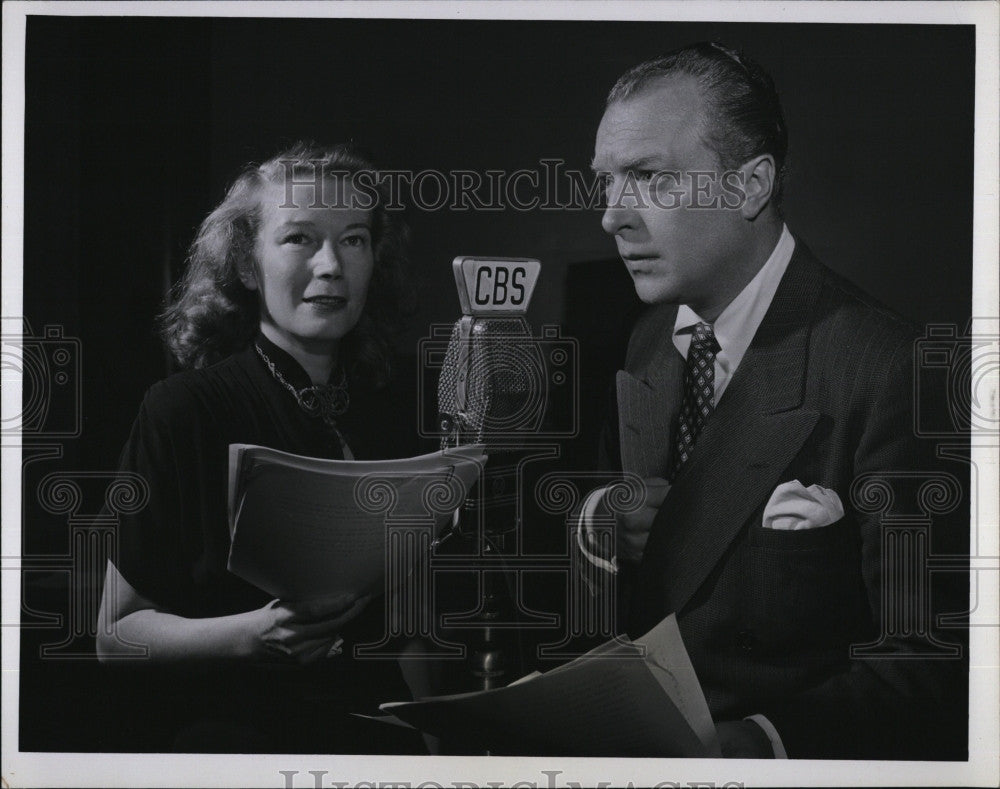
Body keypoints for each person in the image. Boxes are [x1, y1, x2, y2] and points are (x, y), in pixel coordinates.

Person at [585, 43, 967, 759]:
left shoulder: (893, 369)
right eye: (606, 182)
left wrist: (758, 745)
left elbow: (930, 662)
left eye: (648, 179)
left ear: (750, 184)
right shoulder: (645, 341)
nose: (612, 217)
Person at [96, 142, 425, 753]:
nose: (331, 265)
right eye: (300, 238)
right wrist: (256, 633)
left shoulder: (397, 409)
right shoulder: (182, 409)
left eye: (353, 239)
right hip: (234, 738)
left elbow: (414, 634)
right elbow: (116, 636)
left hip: (383, 737)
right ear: (248, 266)